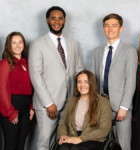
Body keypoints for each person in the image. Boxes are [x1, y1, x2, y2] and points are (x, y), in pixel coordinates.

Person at [28, 6, 83, 150]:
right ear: (47, 20)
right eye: (53, 18)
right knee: (46, 142)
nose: (57, 21)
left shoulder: (73, 44)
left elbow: (79, 70)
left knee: (63, 141)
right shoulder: (37, 44)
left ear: (65, 20)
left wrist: (78, 98)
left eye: (60, 18)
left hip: (69, 102)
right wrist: (48, 103)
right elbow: (35, 75)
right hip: (48, 104)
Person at [91, 13, 138, 150]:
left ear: (121, 29)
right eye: (107, 26)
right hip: (101, 104)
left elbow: (131, 81)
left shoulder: (129, 51)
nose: (110, 29)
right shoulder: (97, 51)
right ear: (103, 28)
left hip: (120, 106)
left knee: (123, 144)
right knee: (101, 144)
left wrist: (124, 107)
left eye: (114, 26)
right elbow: (93, 80)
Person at [57, 70, 112, 150]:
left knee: (75, 148)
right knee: (63, 148)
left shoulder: (103, 103)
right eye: (79, 82)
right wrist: (63, 135)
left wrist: (80, 139)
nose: (82, 85)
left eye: (86, 82)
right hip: (73, 135)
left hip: (94, 139)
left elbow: (103, 130)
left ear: (92, 84)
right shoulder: (71, 101)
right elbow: (63, 124)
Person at [0, 32, 34, 150]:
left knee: (21, 144)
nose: (18, 45)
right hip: (11, 105)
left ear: (24, 44)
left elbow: (30, 87)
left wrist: (31, 107)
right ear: (9, 45)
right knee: (11, 144)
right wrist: (10, 111)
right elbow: (2, 89)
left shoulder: (27, 62)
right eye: (14, 43)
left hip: (25, 107)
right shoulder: (5, 63)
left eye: (20, 42)